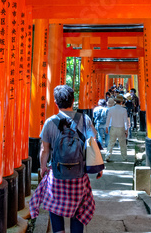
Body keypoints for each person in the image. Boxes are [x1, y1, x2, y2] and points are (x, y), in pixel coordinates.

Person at [29, 85, 103, 233]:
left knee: (54, 205)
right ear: (73, 100)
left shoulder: (51, 122)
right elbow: (92, 143)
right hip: (79, 175)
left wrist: (43, 168)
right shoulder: (84, 119)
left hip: (57, 173)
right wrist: (98, 167)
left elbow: (44, 149)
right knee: (79, 208)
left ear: (56, 103)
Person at [105, 95, 128, 162]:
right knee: (122, 144)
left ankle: (107, 156)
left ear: (115, 101)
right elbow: (125, 121)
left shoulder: (111, 109)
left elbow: (108, 119)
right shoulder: (124, 110)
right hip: (121, 128)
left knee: (111, 143)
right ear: (121, 102)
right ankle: (124, 157)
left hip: (113, 127)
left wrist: (107, 127)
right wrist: (126, 130)